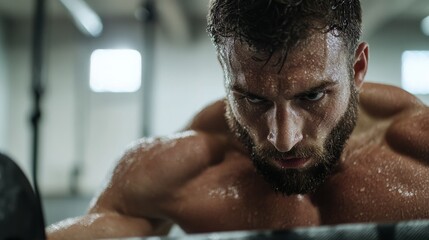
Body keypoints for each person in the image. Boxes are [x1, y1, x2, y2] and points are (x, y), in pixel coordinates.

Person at [47, 0, 429, 239]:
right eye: (253, 98)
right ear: (225, 72)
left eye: (311, 96)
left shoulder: (418, 151)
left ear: (357, 67)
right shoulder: (182, 171)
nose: (283, 138)